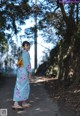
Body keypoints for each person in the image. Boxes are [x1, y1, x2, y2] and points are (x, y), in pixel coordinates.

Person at [12, 41, 32, 110]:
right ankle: (16, 104)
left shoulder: (21, 53)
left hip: (20, 71)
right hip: (24, 72)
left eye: (28, 45)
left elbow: (18, 64)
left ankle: (23, 103)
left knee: (22, 86)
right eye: (26, 45)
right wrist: (29, 73)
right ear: (23, 46)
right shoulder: (26, 53)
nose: (28, 46)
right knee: (22, 87)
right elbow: (27, 64)